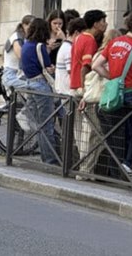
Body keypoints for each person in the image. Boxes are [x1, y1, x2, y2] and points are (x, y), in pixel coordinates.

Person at [92, 11, 132, 176]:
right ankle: (129, 164)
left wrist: (113, 78)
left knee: (119, 131)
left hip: (115, 93)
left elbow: (96, 65)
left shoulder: (114, 42)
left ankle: (118, 168)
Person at [71, 9, 108, 178]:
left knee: (82, 134)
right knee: (95, 134)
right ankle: (85, 171)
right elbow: (86, 66)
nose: (105, 24)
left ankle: (82, 167)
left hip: (75, 87)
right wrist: (86, 93)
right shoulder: (90, 41)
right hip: (85, 91)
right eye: (103, 21)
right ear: (95, 24)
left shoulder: (79, 37)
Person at [20, 18, 59, 165]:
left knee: (40, 123)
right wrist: (53, 67)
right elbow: (47, 66)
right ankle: (50, 159)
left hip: (30, 84)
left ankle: (46, 155)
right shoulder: (39, 46)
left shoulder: (26, 45)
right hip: (41, 85)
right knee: (47, 124)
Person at [55, 18, 86, 95]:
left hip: (65, 91)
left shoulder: (66, 46)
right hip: (68, 92)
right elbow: (71, 70)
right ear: (76, 33)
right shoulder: (69, 49)